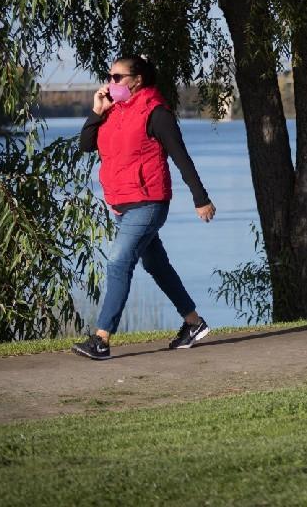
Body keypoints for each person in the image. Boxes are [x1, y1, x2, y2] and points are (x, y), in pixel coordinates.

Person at [71, 55, 216, 360]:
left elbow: (181, 157)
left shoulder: (157, 113)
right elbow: (86, 145)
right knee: (156, 265)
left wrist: (200, 198)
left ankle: (101, 340)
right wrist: (97, 111)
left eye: (117, 77)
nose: (111, 83)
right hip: (122, 204)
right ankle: (193, 323)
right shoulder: (113, 111)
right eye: (109, 77)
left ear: (137, 80)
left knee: (118, 262)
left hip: (148, 202)